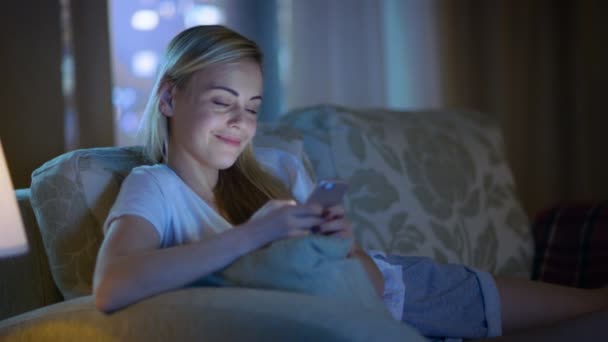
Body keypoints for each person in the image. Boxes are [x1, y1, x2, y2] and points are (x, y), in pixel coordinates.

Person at [93, 25, 608, 341]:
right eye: (222, 102)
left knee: (592, 309)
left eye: (251, 108)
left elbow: (361, 274)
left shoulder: (275, 169)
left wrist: (347, 242)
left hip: (407, 294)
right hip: (359, 324)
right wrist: (255, 234)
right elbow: (113, 285)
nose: (240, 123)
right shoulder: (155, 187)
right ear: (168, 99)